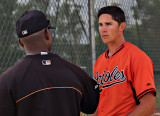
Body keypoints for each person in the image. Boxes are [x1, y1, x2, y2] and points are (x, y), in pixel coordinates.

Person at [0, 10, 99, 116]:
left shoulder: (6, 81)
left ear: (20, 42)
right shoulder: (76, 72)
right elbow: (92, 106)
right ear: (47, 34)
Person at [92, 6, 156, 116]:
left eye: (108, 24)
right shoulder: (99, 61)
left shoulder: (137, 57)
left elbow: (148, 105)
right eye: (100, 25)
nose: (103, 29)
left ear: (122, 26)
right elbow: (99, 105)